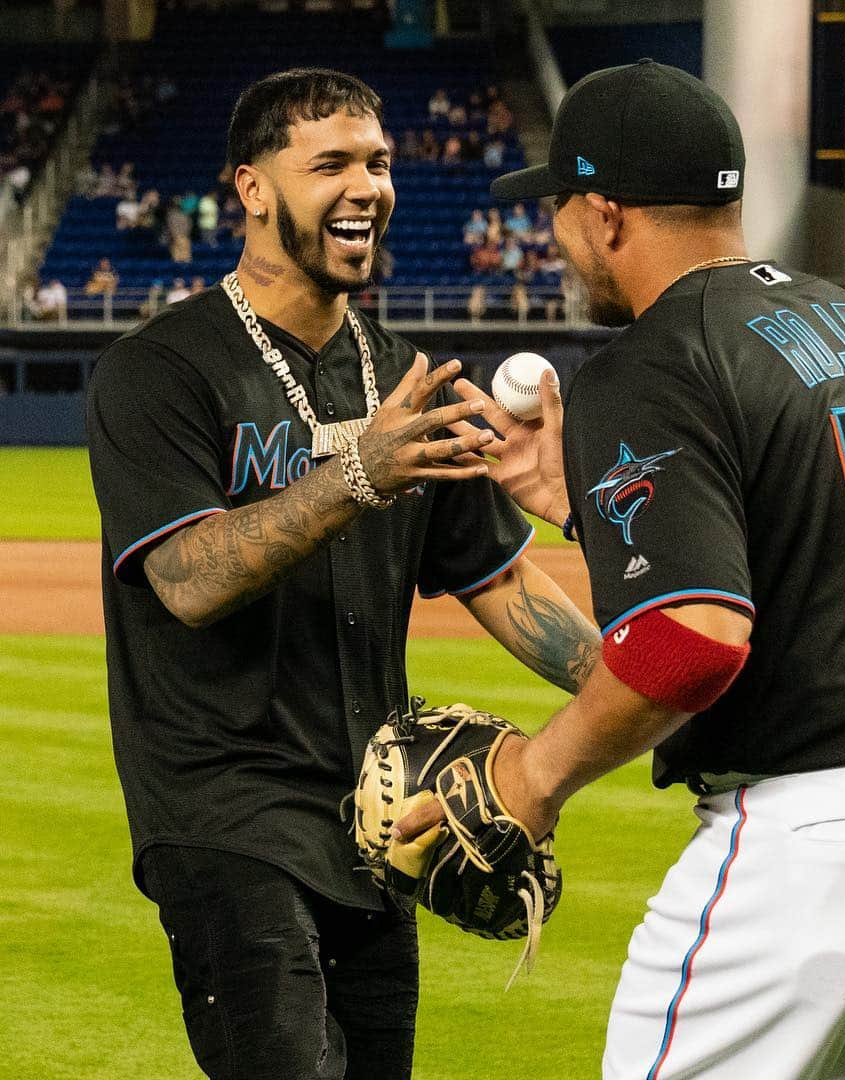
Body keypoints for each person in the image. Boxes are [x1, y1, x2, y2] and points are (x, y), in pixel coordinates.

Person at [398, 60, 845, 1078]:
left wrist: (534, 776)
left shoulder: (649, 359)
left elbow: (692, 641)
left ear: (608, 210)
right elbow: (806, 545)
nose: (556, 235)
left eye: (562, 210)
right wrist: (592, 504)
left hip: (831, 844)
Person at [86, 67, 599, 1080]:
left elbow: (502, 583)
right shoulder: (164, 370)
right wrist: (356, 474)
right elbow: (188, 578)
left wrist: (645, 691)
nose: (366, 185)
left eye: (379, 162)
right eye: (330, 164)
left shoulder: (404, 375)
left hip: (373, 824)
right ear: (253, 189)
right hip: (222, 814)